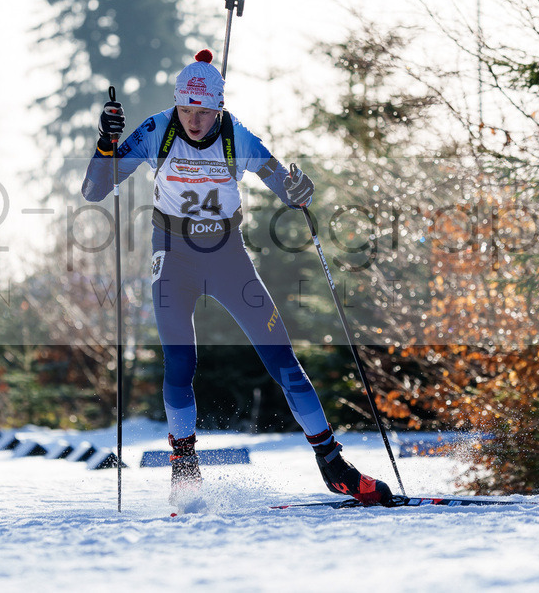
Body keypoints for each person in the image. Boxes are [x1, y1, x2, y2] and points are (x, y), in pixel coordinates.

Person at [81, 49, 392, 506]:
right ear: (176, 105)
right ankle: (184, 468)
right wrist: (107, 142)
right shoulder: (156, 130)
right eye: (186, 109)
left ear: (218, 108)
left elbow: (282, 183)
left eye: (203, 111)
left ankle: (333, 465)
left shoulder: (236, 136)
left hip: (227, 256)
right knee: (179, 363)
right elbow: (95, 189)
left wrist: (298, 191)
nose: (194, 120)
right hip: (173, 255)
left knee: (283, 361)